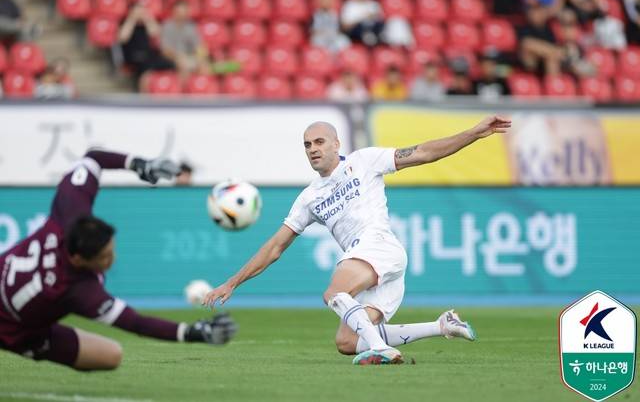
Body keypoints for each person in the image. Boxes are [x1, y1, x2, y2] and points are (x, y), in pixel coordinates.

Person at [204, 117, 512, 365]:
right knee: (347, 342)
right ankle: (442, 325)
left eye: (320, 142)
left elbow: (423, 152)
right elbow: (275, 247)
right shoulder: (309, 198)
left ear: (337, 144)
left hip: (378, 245)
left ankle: (381, 349)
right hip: (374, 265)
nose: (313, 149)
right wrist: (232, 283)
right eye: (307, 145)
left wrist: (473, 133)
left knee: (334, 293)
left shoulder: (364, 160)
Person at [0, 150, 237, 370]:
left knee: (111, 356)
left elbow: (92, 158)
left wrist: (140, 164)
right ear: (78, 259)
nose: (112, 259)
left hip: (15, 298)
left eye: (111, 250)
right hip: (15, 331)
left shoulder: (70, 213)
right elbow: (137, 323)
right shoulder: (79, 291)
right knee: (106, 354)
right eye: (104, 257)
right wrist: (194, 332)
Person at [119, 2, 174, 87]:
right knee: (147, 69)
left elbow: (155, 34)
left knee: (170, 64)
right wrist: (132, 19)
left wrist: (148, 19)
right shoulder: (125, 23)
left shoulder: (146, 25)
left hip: (149, 55)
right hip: (134, 56)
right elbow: (123, 38)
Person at [160, 0, 210, 78]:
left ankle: (202, 85)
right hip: (172, 59)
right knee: (183, 66)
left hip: (189, 57)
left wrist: (201, 55)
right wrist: (178, 57)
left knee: (204, 66)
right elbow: (166, 51)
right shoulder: (167, 26)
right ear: (174, 12)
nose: (182, 15)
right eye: (180, 12)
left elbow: (199, 46)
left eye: (185, 12)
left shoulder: (191, 27)